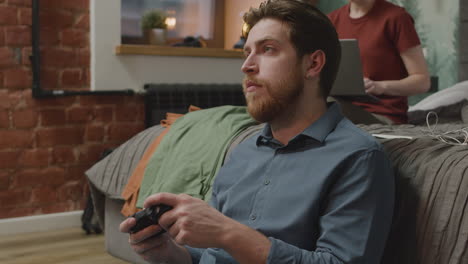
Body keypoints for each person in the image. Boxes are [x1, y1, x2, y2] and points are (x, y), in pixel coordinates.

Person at [119, 0, 395, 263]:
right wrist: (170, 254)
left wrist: (228, 233)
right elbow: (213, 254)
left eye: (268, 49)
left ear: (313, 64)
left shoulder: (357, 157)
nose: (247, 65)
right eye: (247, 52)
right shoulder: (243, 150)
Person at [328, 0, 430, 124]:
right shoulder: (332, 20)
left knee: (327, 106)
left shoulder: (396, 17)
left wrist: (379, 86)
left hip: (382, 116)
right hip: (342, 105)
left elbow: (422, 82)